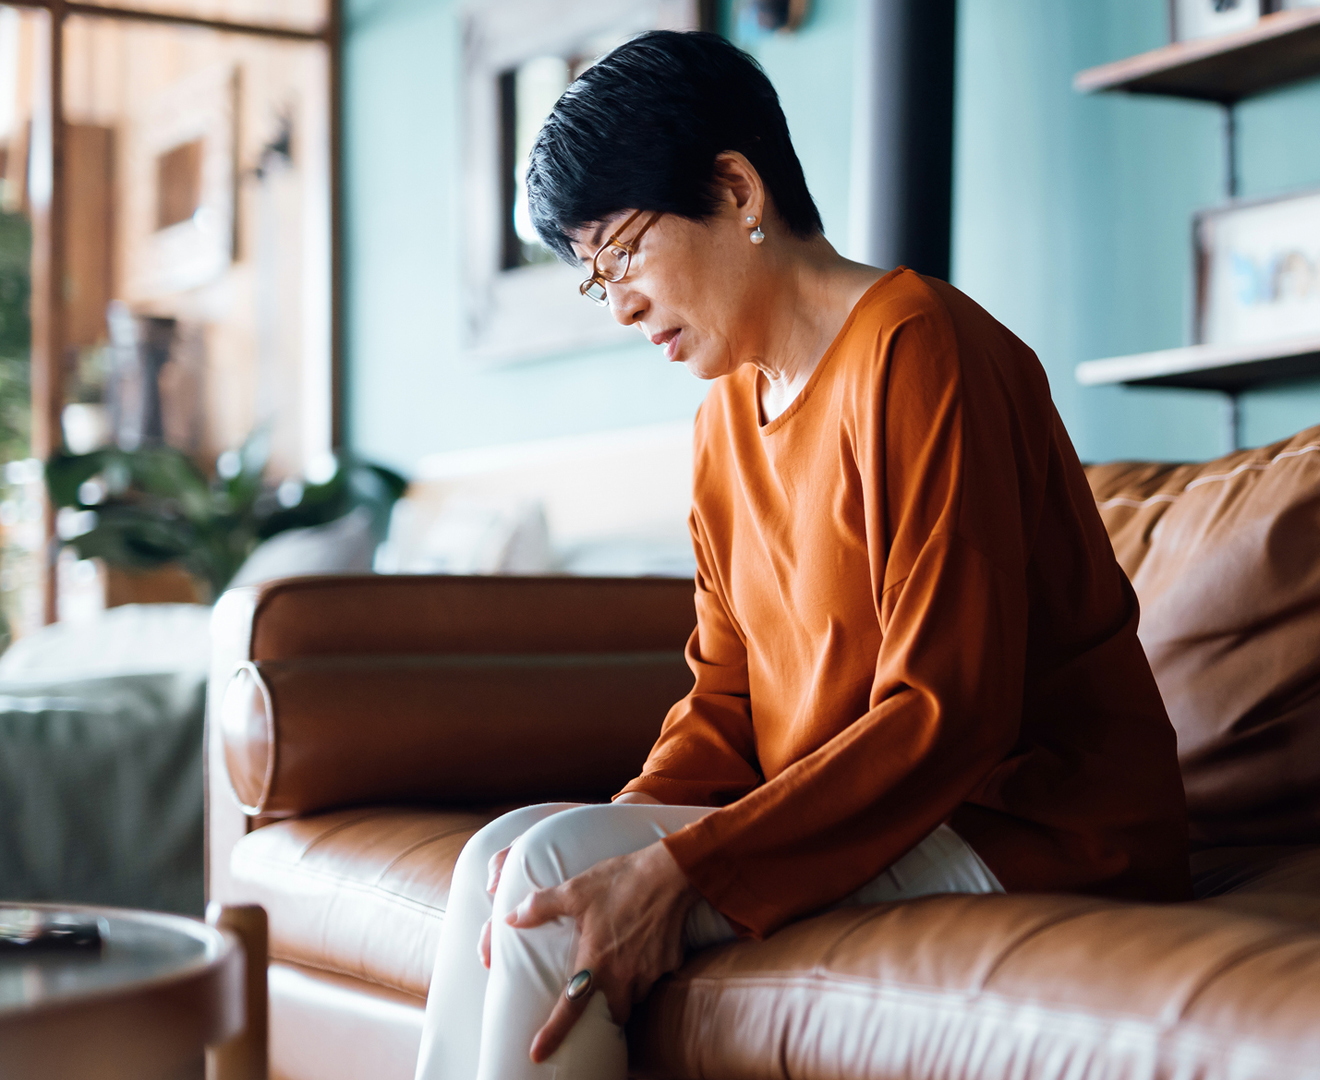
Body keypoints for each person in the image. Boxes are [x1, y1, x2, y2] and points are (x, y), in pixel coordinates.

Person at [414, 30, 1189, 1080]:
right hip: (881, 818)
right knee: (505, 857)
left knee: (553, 867)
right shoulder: (725, 417)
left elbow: (945, 713)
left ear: (737, 189)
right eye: (597, 280)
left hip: (1033, 826)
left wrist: (680, 868)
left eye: (625, 252)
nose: (623, 304)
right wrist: (630, 830)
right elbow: (726, 699)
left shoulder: (923, 350)